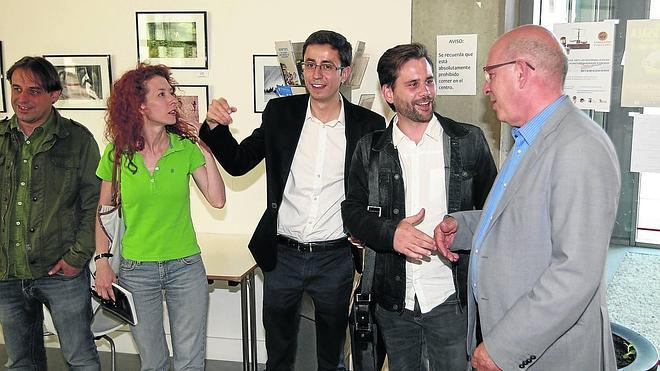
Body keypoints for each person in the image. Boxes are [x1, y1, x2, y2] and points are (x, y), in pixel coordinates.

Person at [434, 25, 620, 371]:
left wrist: (505, 347)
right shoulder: (530, 138)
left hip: (549, 354)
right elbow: (520, 219)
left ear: (520, 72)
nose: (486, 86)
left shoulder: (579, 147)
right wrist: (460, 227)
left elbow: (575, 273)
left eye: (490, 73)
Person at [199, 30, 386, 371]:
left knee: (331, 356)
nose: (317, 74)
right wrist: (214, 127)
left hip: (335, 258)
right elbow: (240, 163)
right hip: (282, 256)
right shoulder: (280, 113)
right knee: (279, 354)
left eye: (327, 66)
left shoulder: (368, 125)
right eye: (310, 64)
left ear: (344, 72)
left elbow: (379, 188)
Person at [341, 43, 497, 370]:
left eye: (429, 81)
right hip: (393, 300)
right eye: (413, 85)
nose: (425, 92)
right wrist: (390, 235)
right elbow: (351, 213)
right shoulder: (369, 149)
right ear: (388, 92)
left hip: (452, 299)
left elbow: (495, 214)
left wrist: (462, 228)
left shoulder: (469, 141)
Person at [93, 63, 226, 371]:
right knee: (153, 362)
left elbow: (218, 199)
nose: (172, 101)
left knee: (190, 362)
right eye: (162, 94)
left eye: (172, 93)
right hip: (136, 269)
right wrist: (101, 261)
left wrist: (202, 143)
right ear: (140, 105)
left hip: (186, 266)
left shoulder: (184, 149)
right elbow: (103, 215)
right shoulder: (117, 155)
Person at [0, 56, 101, 370]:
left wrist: (77, 257)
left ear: (54, 95)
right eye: (16, 89)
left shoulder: (79, 140)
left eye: (33, 91)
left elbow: (94, 205)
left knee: (80, 359)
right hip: (7, 273)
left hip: (61, 271)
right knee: (20, 361)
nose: (22, 99)